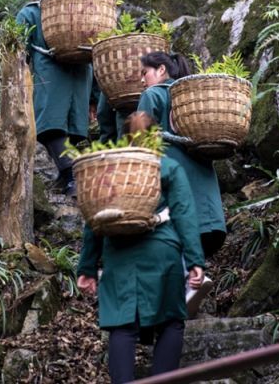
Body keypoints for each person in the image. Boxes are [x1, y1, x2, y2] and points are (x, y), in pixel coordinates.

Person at [76, 120, 206, 383]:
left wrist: (87, 267)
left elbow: (94, 219)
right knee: (170, 321)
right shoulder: (166, 166)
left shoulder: (109, 171)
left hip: (119, 253)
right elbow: (183, 213)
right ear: (156, 138)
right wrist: (195, 260)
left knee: (123, 326)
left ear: (125, 139)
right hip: (162, 251)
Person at [136, 51, 227, 314]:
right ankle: (192, 281)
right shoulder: (193, 101)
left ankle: (189, 283)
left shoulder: (154, 95)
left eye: (145, 73)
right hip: (206, 194)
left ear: (161, 69)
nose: (143, 80)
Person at [15, 0, 93, 195]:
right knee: (66, 127)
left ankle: (72, 175)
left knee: (47, 128)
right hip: (81, 77)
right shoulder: (72, 13)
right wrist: (94, 97)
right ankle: (64, 177)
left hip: (52, 76)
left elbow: (18, 50)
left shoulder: (30, 13)